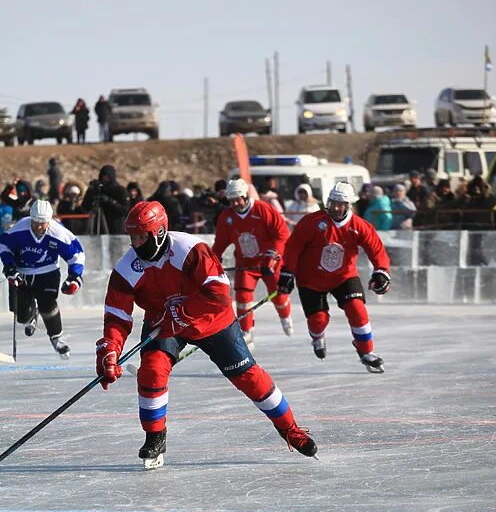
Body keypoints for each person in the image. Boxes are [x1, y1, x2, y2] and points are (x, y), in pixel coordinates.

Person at [95, 200, 317, 470]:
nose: (136, 244)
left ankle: (290, 429)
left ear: (160, 233)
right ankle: (155, 438)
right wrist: (110, 350)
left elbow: (219, 294)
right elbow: (117, 316)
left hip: (212, 322)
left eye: (142, 237)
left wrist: (183, 312)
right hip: (163, 323)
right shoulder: (127, 268)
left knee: (249, 377)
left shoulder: (190, 249)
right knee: (151, 372)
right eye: (133, 237)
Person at [278, 182, 391, 373]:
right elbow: (293, 247)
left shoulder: (360, 226)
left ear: (350, 205)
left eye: (341, 204)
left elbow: (377, 250)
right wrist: (287, 271)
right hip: (311, 278)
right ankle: (317, 336)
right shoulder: (311, 222)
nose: (336, 208)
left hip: (343, 276)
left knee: (357, 310)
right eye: (333, 203)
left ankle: (366, 352)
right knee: (318, 320)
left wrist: (381, 271)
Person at [0, 199, 85, 358]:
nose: (38, 226)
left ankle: (57, 339)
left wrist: (74, 277)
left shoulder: (58, 233)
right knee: (21, 316)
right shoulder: (20, 229)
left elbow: (76, 255)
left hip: (48, 273)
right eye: (35, 221)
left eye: (43, 223)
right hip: (23, 274)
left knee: (48, 304)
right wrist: (9, 267)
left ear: (49, 221)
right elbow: (2, 245)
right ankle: (31, 315)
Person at [211, 178, 293, 343]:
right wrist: (213, 261)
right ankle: (247, 330)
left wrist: (273, 254)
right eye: (231, 200)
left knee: (277, 293)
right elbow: (220, 242)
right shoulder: (227, 217)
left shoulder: (262, 209)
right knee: (242, 295)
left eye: (238, 199)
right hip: (245, 264)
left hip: (268, 262)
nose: (235, 203)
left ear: (246, 196)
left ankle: (285, 317)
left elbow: (282, 234)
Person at [81, 164, 129, 234]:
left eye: (107, 177)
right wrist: (90, 192)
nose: (105, 179)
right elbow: (85, 207)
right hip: (99, 228)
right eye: (103, 177)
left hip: (115, 229)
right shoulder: (98, 189)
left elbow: (124, 210)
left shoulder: (120, 191)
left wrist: (109, 201)